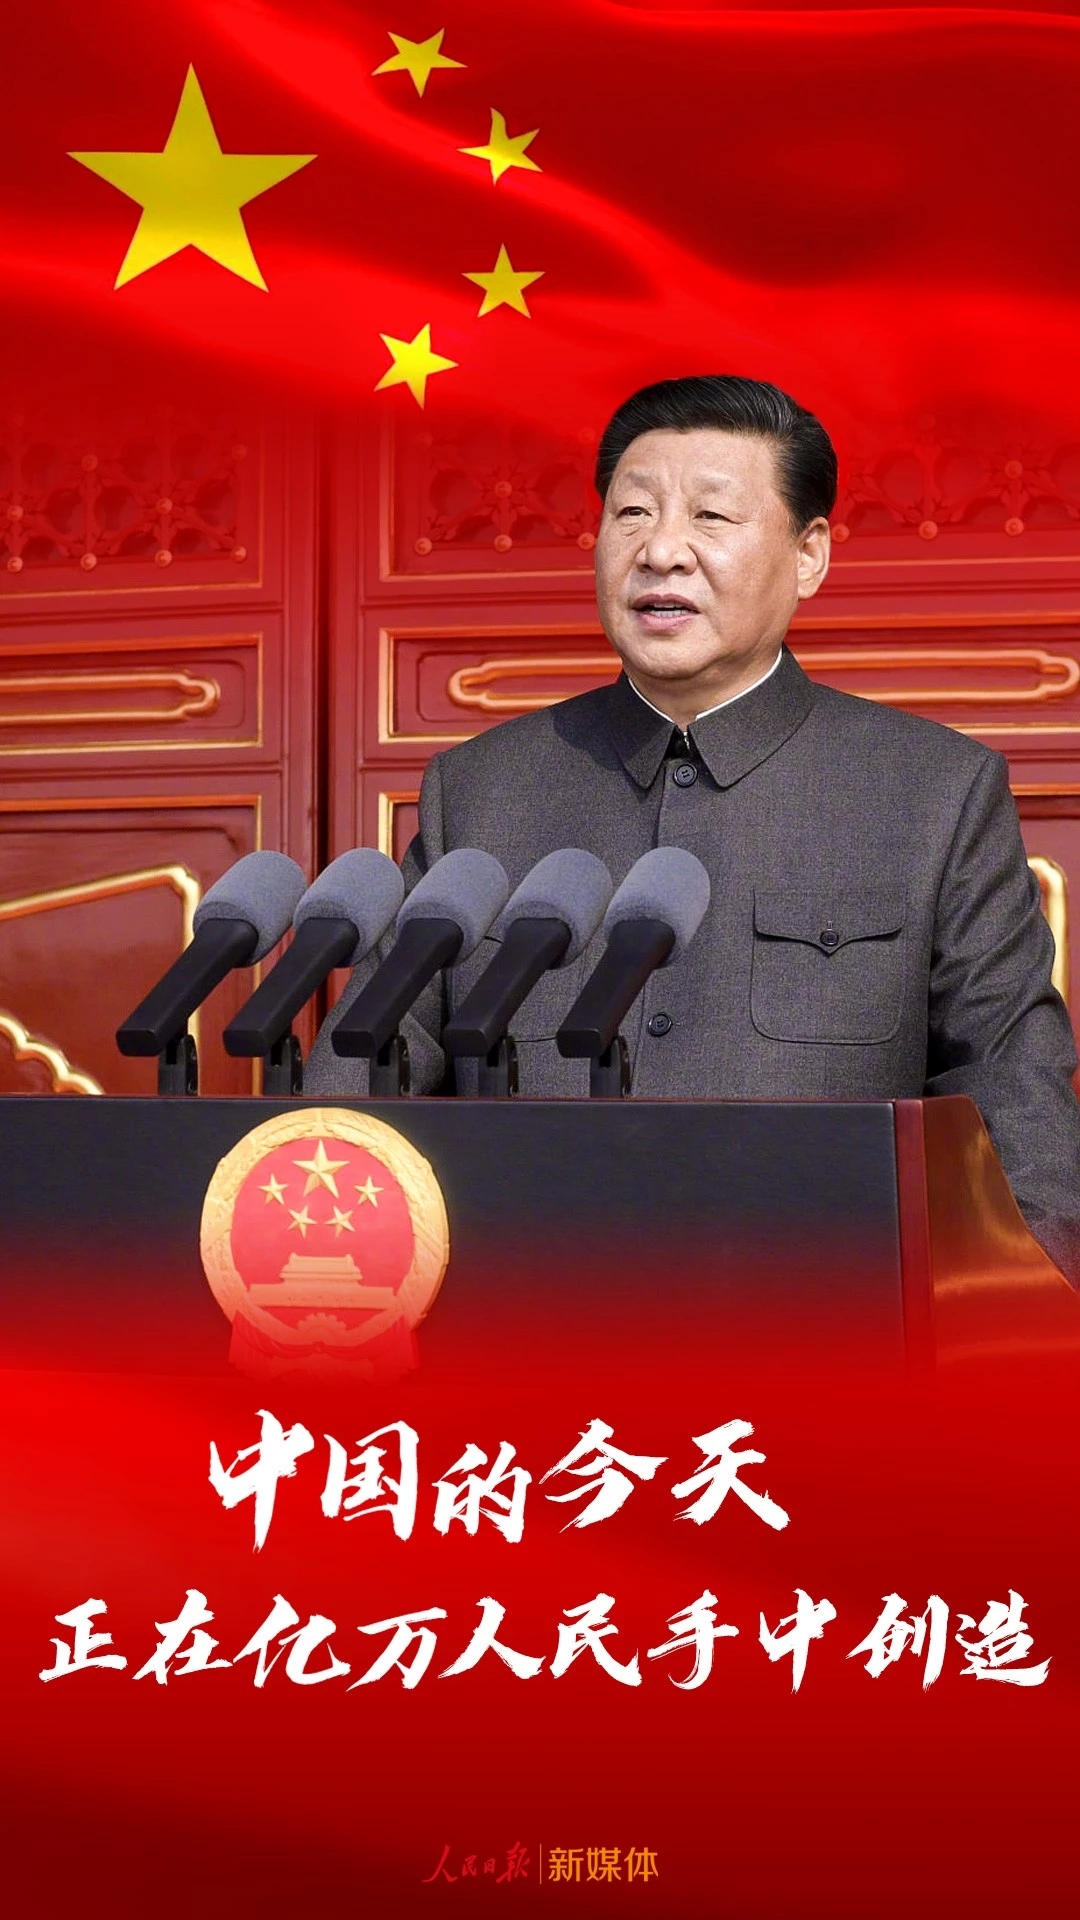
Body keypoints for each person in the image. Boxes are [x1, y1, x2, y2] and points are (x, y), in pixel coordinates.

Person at [307, 374, 1080, 1282]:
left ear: (809, 556)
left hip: (825, 1320)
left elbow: (1011, 1097)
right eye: (632, 513)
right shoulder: (483, 789)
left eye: (710, 517)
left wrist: (1027, 1314)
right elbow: (363, 1078)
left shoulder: (932, 792)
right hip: (525, 1316)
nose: (661, 551)